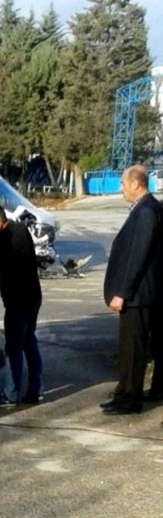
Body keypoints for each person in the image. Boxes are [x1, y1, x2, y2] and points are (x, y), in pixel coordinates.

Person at [100, 165, 163, 415]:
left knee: (133, 349)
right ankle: (122, 392)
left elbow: (139, 256)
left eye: (123, 183)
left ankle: (130, 399)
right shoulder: (144, 208)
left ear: (135, 184)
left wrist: (122, 293)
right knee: (127, 347)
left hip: (138, 294)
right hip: (137, 293)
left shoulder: (147, 211)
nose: (121, 188)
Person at [0, 204, 44, 405]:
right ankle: (35, 389)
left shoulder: (2, 241)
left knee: (13, 347)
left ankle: (10, 393)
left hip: (17, 301)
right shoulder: (21, 230)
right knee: (29, 341)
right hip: (33, 296)